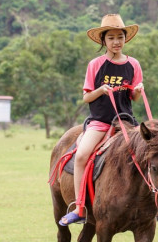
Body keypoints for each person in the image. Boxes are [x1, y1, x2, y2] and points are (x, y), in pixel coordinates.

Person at [59, 14, 144, 226]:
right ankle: (79, 207)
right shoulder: (95, 64)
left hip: (126, 123)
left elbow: (133, 97)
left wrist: (139, 91)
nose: (116, 42)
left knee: (147, 154)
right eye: (111, 37)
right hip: (100, 122)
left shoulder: (133, 64)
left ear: (126, 39)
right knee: (81, 156)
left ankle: (144, 204)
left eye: (120, 37)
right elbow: (86, 96)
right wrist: (101, 90)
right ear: (103, 41)